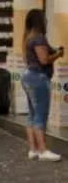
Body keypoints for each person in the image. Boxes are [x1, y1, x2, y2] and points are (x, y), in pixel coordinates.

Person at [22, 9, 63, 162]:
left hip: (28, 76)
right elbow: (44, 60)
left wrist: (55, 51)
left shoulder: (28, 37)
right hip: (38, 78)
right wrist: (58, 55)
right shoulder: (39, 38)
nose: (46, 21)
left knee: (32, 114)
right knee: (41, 114)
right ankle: (43, 150)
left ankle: (34, 149)